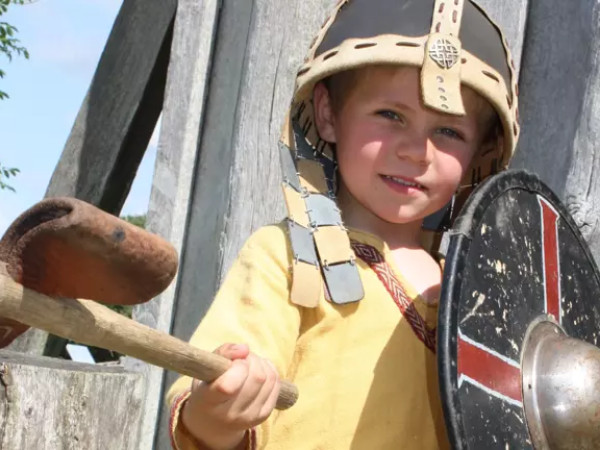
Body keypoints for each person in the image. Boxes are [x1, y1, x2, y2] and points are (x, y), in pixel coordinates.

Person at [167, 0, 520, 448]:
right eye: (391, 115)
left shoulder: (481, 297)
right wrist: (221, 408)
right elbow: (204, 411)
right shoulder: (286, 259)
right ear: (329, 114)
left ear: (480, 154)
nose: (417, 151)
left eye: (449, 132)